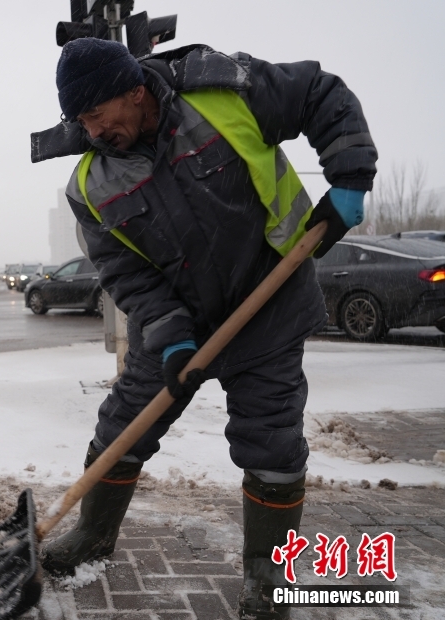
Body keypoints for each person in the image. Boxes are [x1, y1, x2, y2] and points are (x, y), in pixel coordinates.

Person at [32, 39, 376, 619]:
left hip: (268, 302)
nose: (90, 132)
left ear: (134, 91)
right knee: (124, 424)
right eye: (79, 121)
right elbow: (125, 274)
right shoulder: (90, 186)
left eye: (96, 114)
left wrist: (349, 173)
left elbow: (319, 93)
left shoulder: (221, 92)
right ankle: (93, 535)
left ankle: (268, 580)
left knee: (271, 438)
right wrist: (171, 336)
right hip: (179, 325)